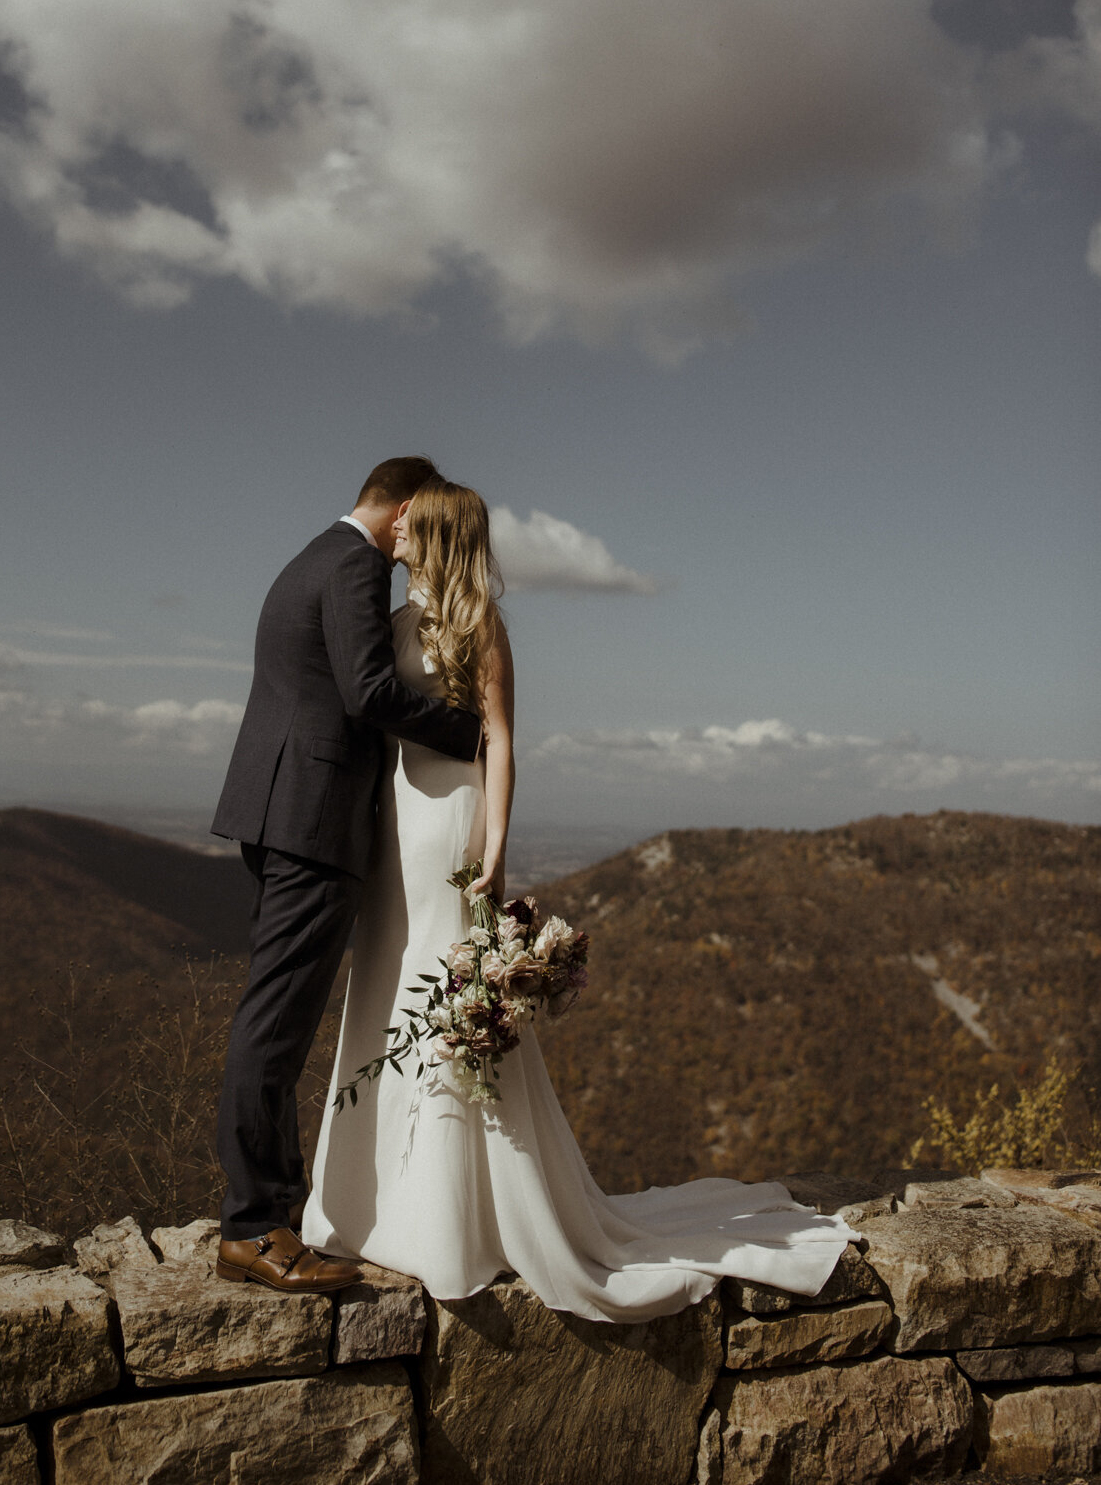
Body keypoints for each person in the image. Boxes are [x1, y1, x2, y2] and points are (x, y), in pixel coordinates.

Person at [303, 478, 858, 1320]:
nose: (398, 536)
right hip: (392, 830)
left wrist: (493, 848)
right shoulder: (389, 628)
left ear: (441, 535)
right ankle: (381, 1197)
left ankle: (456, 1217)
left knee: (449, 999)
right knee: (387, 990)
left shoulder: (482, 626)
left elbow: (500, 744)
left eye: (414, 528)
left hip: (448, 829)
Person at [211, 455, 483, 1295]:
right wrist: (469, 733)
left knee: (278, 1014)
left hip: (277, 808)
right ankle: (254, 1226)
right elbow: (367, 691)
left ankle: (275, 1211)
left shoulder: (311, 556)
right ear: (403, 512)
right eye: (421, 520)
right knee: (277, 1021)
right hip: (312, 817)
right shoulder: (354, 566)